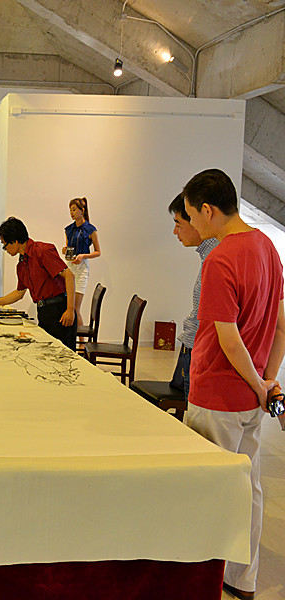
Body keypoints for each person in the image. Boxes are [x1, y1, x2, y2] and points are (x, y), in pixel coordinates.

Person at [183, 168, 285, 600]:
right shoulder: (268, 248)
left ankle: (201, 578)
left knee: (207, 487)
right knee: (248, 486)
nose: (192, 223)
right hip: (249, 398)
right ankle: (243, 579)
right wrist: (267, 380)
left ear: (207, 210)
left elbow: (227, 338)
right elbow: (281, 325)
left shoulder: (221, 259)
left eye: (191, 215)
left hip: (217, 393)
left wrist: (260, 385)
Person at [0, 217, 77, 350]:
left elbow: (69, 276)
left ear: (15, 241)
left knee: (63, 356)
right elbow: (19, 293)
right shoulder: (22, 264)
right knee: (47, 354)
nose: (5, 249)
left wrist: (70, 309)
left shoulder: (42, 251)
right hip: (44, 312)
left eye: (5, 245)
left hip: (59, 311)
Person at [168, 192, 218, 398]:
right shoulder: (209, 255)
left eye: (179, 224)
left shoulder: (216, 258)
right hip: (192, 347)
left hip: (200, 352)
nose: (175, 232)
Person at [62, 197, 101, 326]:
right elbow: (67, 248)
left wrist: (83, 256)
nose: (71, 213)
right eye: (70, 210)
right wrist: (64, 250)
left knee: (75, 308)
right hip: (69, 267)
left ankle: (81, 337)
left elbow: (98, 252)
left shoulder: (90, 229)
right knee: (67, 306)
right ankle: (71, 336)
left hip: (81, 268)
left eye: (74, 209)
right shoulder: (69, 229)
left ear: (82, 210)